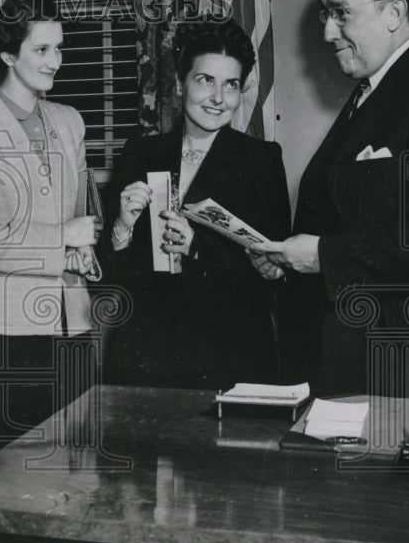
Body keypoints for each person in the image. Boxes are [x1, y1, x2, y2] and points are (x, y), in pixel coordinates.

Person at [251, 0, 409, 396]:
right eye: (325, 14)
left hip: (396, 368)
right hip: (348, 359)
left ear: (394, 13)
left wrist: (324, 256)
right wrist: (288, 261)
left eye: (341, 14)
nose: (326, 31)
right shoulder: (370, 94)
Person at [0, 0, 99, 472]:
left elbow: (82, 218)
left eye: (60, 48)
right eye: (42, 50)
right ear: (8, 54)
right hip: (7, 333)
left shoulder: (70, 122)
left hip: (73, 328)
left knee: (74, 474)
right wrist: (62, 239)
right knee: (7, 477)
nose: (56, 61)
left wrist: (84, 250)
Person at [104, 20, 290, 389]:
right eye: (205, 80)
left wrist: (197, 247)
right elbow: (114, 276)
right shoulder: (140, 153)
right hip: (146, 360)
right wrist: (121, 229)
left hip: (230, 362)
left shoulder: (261, 160)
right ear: (178, 84)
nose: (218, 98)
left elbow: (274, 271)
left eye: (231, 85)